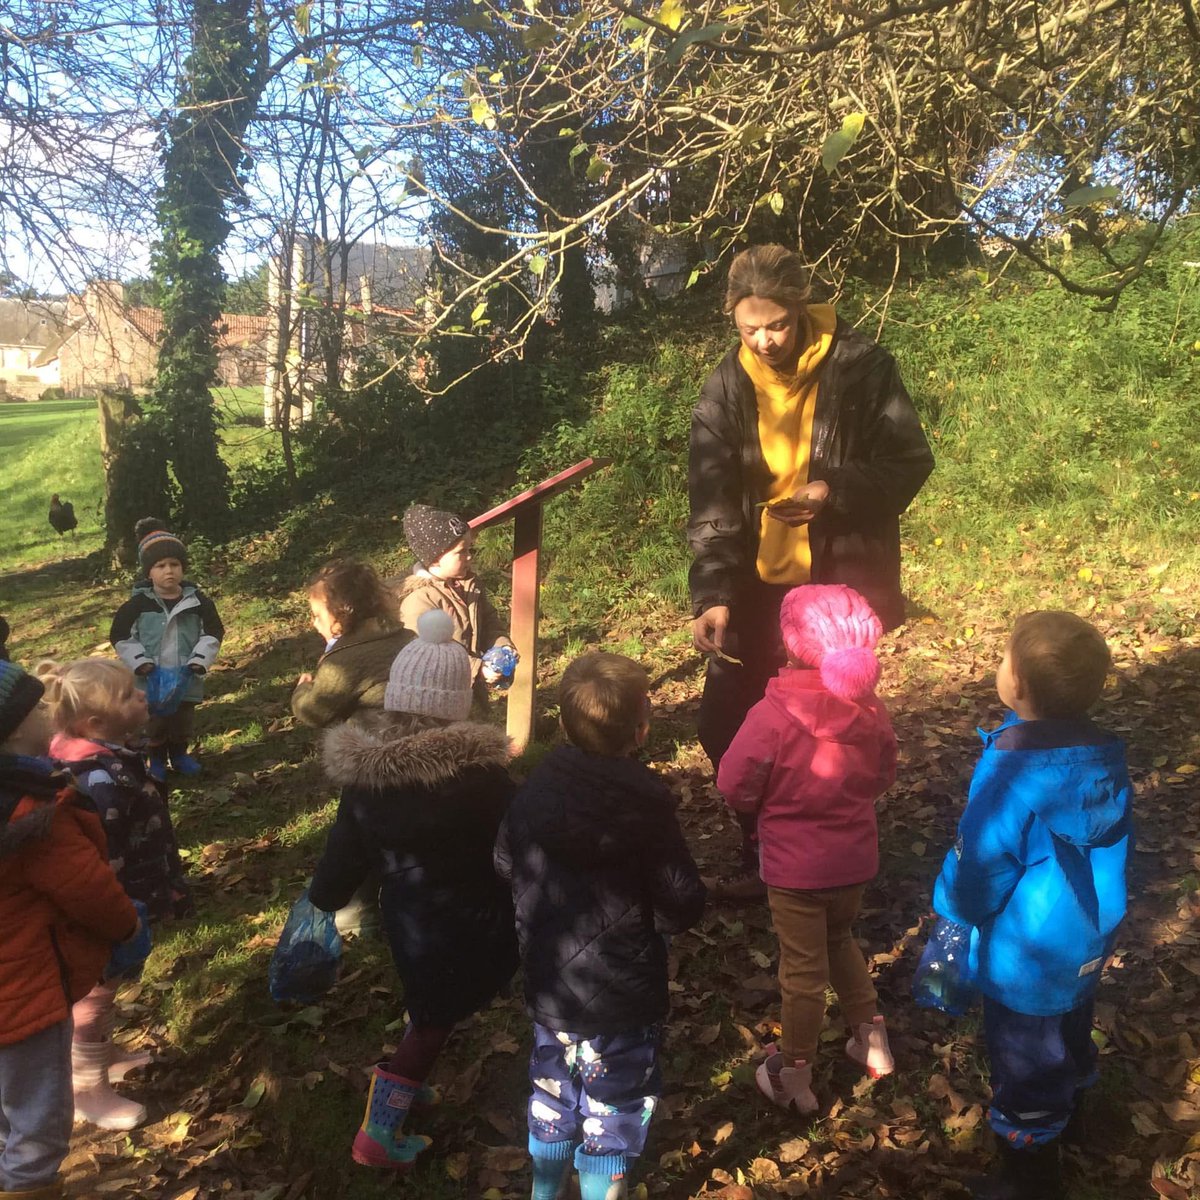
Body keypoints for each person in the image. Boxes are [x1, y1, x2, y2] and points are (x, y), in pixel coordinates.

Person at [689, 244, 933, 900]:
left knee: (836, 724)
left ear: (801, 311)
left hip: (836, 583)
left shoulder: (862, 368)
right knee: (725, 722)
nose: (764, 340)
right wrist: (712, 592)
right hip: (755, 582)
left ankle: (836, 853)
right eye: (749, 328)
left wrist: (832, 490)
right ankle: (762, 842)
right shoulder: (725, 387)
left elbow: (908, 460)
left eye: (777, 325)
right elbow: (711, 499)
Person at [931, 611, 1131, 1200]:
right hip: (1085, 935)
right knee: (1069, 1025)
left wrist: (954, 907)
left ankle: (1030, 1174)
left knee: (1025, 1055)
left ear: (1019, 686)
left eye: (1003, 659)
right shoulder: (1101, 760)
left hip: (1027, 949)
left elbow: (982, 863)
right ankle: (1079, 1114)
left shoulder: (1010, 772)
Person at [308, 609, 518, 1171]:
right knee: (435, 1018)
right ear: (457, 705)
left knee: (428, 1001)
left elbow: (343, 849)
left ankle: (407, 1078)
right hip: (470, 917)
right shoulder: (479, 776)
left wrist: (324, 898)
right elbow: (517, 837)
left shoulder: (366, 776)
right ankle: (379, 1132)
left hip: (405, 919)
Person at [495, 652, 707, 1200]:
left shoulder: (534, 787)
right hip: (621, 993)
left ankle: (545, 1192)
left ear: (563, 722)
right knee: (612, 1105)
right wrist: (651, 923)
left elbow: (503, 860)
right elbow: (680, 896)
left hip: (550, 984)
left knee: (551, 1094)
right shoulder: (645, 800)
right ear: (643, 725)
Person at [716, 585, 897, 1114]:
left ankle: (794, 1071)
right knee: (840, 939)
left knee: (801, 973)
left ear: (790, 642)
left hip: (796, 871)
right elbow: (883, 775)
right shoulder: (870, 709)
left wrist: (760, 804)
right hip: (853, 860)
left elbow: (734, 783)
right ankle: (871, 1037)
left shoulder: (772, 714)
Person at [0, 660, 141, 1199]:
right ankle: (29, 1187)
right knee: (39, 1112)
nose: (46, 711)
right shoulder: (31, 815)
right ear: (14, 730)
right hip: (25, 994)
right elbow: (88, 889)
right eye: (37, 707)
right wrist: (128, 926)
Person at [38, 657, 191, 1131]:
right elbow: (93, 857)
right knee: (94, 994)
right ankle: (86, 1087)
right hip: (107, 905)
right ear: (96, 723)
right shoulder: (95, 778)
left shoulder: (108, 754)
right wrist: (123, 905)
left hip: (127, 893)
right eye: (129, 695)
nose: (141, 696)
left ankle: (101, 1050)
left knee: (111, 984)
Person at [110, 519, 224, 782]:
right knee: (154, 722)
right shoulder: (137, 605)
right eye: (160, 566)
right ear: (149, 572)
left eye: (175, 564)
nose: (168, 571)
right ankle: (157, 759)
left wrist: (199, 660)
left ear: (183, 568)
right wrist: (140, 662)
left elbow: (214, 631)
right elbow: (120, 635)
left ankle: (180, 754)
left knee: (182, 720)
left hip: (186, 674)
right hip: (149, 677)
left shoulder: (198, 602)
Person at [393, 504, 515, 697]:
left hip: (467, 692)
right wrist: (479, 669)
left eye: (470, 549)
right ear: (435, 558)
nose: (469, 557)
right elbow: (432, 655)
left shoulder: (469, 584)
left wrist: (502, 646)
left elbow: (489, 621)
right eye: (461, 552)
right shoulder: (419, 600)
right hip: (435, 698)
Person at [291, 558, 413, 729]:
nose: (313, 623)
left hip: (376, 742)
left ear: (342, 614)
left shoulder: (342, 663)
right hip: (425, 731)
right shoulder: (405, 636)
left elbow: (314, 711)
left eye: (317, 616)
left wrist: (302, 690)